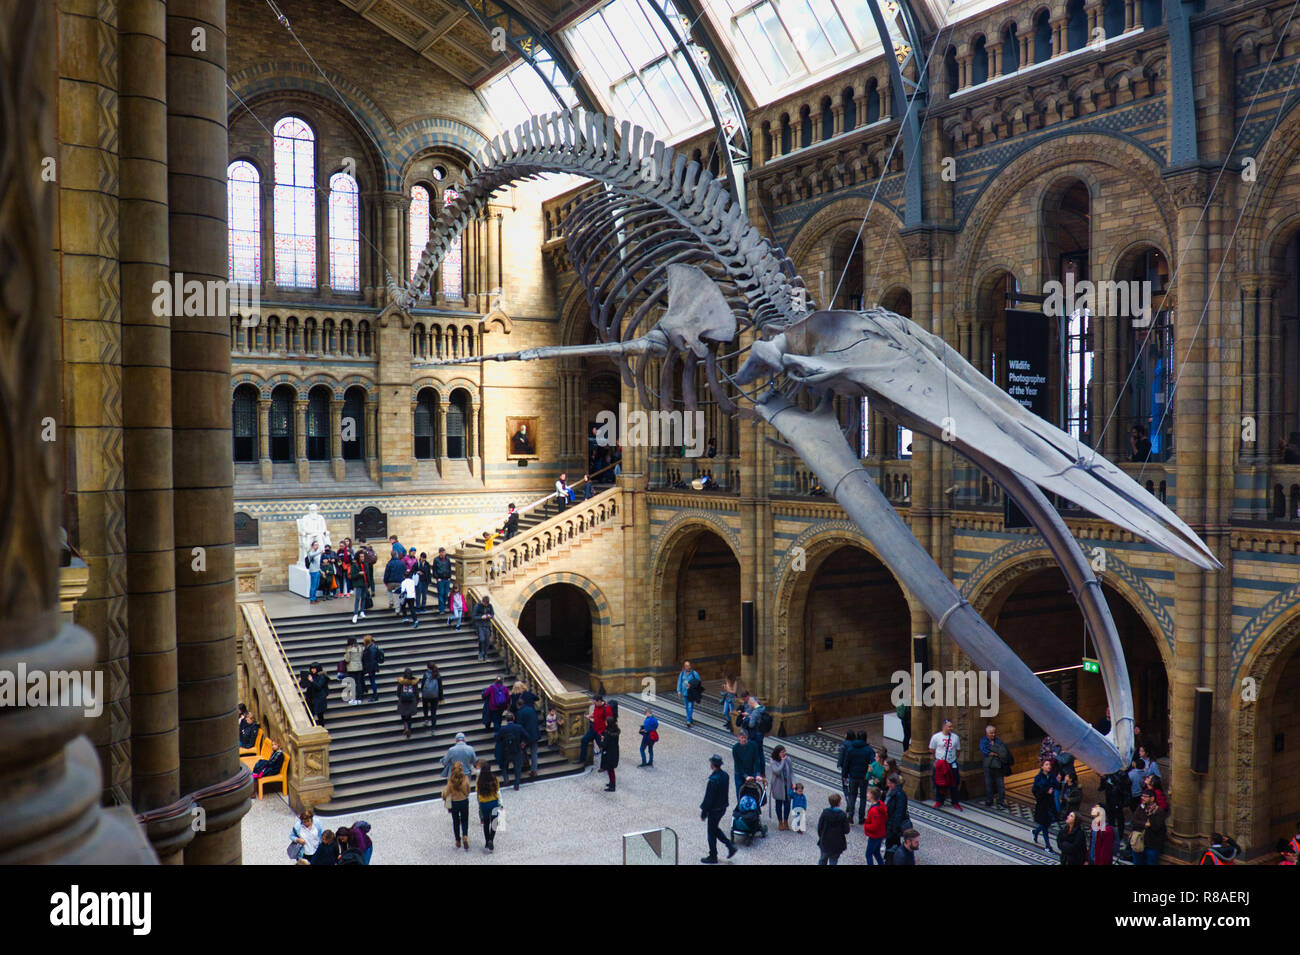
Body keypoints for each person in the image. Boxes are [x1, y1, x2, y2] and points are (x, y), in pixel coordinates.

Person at [699, 754, 736, 864]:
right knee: (714, 828)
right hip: (722, 807)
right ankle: (730, 846)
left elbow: (709, 798)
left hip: (714, 809)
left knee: (711, 833)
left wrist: (704, 812)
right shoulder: (725, 776)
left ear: (713, 765)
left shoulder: (713, 780)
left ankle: (713, 855)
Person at [841, 731, 875, 824]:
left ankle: (850, 815)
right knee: (863, 797)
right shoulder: (869, 750)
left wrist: (844, 775)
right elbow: (873, 763)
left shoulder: (851, 748)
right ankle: (861, 817)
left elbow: (846, 763)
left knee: (852, 795)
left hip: (853, 776)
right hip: (864, 777)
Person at [929, 718, 962, 809]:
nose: (951, 728)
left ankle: (955, 801)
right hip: (940, 763)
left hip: (952, 762)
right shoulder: (936, 737)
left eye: (951, 726)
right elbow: (932, 749)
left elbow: (958, 750)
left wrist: (953, 758)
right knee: (939, 782)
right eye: (949, 726)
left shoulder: (955, 737)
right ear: (944, 726)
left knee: (954, 782)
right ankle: (939, 801)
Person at [979, 724, 1011, 808]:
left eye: (994, 733)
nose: (993, 735)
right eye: (991, 733)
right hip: (988, 766)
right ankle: (989, 799)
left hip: (998, 766)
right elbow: (984, 750)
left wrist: (993, 751)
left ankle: (1001, 800)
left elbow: (1002, 751)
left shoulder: (998, 741)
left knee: (1000, 784)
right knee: (989, 783)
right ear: (987, 733)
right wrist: (994, 752)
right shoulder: (983, 741)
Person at [442, 761, 472, 851]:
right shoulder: (465, 778)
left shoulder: (450, 781)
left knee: (455, 821)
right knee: (465, 820)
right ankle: (465, 836)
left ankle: (457, 840)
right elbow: (468, 790)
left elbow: (446, 793)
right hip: (463, 801)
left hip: (454, 803)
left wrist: (444, 799)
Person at [1132, 789, 1166, 865]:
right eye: (1142, 796)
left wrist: (1149, 823)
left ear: (1152, 798)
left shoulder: (1159, 811)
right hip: (1139, 842)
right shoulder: (1140, 808)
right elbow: (1134, 821)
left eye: (1145, 796)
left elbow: (1157, 827)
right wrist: (1144, 824)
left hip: (1152, 845)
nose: (1142, 798)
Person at [579, 694, 614, 767]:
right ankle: (582, 760)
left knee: (603, 747)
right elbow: (595, 713)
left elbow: (610, 722)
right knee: (584, 740)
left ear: (599, 701)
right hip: (594, 728)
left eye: (595, 702)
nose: (594, 704)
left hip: (601, 731)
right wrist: (590, 716)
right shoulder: (597, 706)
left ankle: (606, 764)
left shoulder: (607, 708)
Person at [816, 792, 851, 865]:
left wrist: (821, 836)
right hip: (837, 844)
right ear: (839, 803)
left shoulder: (825, 813)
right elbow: (846, 830)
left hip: (825, 842)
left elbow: (820, 827)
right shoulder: (842, 815)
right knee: (834, 861)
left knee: (822, 859)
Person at [495, 711, 526, 791]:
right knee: (517, 768)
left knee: (504, 766)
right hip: (517, 750)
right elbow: (527, 735)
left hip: (506, 751)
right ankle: (516, 784)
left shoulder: (503, 729)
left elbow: (498, 739)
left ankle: (506, 778)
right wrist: (523, 742)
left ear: (506, 720)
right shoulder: (519, 727)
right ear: (514, 718)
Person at [768, 745, 795, 831]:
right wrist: (783, 761)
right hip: (778, 786)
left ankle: (786, 821)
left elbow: (791, 772)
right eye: (782, 752)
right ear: (778, 753)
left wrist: (793, 783)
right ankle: (780, 821)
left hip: (787, 786)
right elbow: (777, 771)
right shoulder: (773, 761)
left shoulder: (788, 759)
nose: (784, 753)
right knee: (778, 805)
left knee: (787, 805)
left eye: (785, 751)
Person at [1031, 759, 1056, 853]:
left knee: (1046, 823)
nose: (1048, 766)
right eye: (1046, 764)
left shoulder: (1051, 776)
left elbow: (1055, 785)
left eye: (1049, 764)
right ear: (1042, 766)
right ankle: (1048, 846)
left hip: (1050, 803)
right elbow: (1035, 791)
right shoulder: (1038, 778)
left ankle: (1035, 832)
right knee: (1045, 825)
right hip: (1042, 804)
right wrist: (1046, 791)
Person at [476, 760, 501, 852]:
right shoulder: (494, 779)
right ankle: (491, 839)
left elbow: (477, 790)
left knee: (486, 823)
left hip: (484, 804)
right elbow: (497, 788)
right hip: (493, 802)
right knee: (494, 821)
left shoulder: (479, 780)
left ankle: (487, 841)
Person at [884, 773, 910, 856]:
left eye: (889, 783)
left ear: (894, 783)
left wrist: (895, 827)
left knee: (892, 844)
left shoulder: (899, 795)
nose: (888, 785)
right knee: (893, 843)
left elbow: (899, 812)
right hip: (890, 822)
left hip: (893, 824)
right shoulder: (891, 792)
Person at [743, 695, 770, 774]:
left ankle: (757, 771)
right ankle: (762, 771)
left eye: (749, 703)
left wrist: (747, 719)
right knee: (761, 753)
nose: (749, 705)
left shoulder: (755, 712)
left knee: (755, 754)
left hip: (755, 735)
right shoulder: (762, 708)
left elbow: (751, 725)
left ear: (752, 702)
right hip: (761, 733)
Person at [516, 692, 540, 778]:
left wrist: (522, 739)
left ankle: (525, 764)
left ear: (518, 705)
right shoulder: (531, 709)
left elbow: (520, 726)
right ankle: (534, 770)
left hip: (526, 736)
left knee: (523, 750)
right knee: (534, 753)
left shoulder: (520, 712)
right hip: (535, 734)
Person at [731, 730, 760, 797]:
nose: (744, 739)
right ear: (739, 737)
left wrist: (757, 773)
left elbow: (756, 760)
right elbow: (738, 763)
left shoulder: (753, 745)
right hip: (739, 773)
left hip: (750, 770)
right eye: (742, 738)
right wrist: (745, 776)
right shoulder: (735, 748)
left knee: (751, 792)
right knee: (740, 792)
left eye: (745, 737)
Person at [863, 787, 887, 864]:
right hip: (880, 833)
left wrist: (866, 826)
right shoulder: (880, 805)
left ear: (872, 796)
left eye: (868, 793)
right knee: (876, 852)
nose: (867, 795)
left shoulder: (875, 810)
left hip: (875, 835)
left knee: (868, 854)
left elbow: (874, 826)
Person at [419, 662, 443, 737]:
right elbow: (440, 688)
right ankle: (433, 730)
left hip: (426, 696)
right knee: (433, 713)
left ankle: (426, 719)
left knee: (425, 707)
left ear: (428, 667)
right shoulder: (438, 675)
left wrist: (422, 693)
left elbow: (422, 685)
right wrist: (441, 698)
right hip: (434, 696)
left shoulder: (425, 674)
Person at [395, 668, 420, 739]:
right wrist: (417, 700)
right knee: (409, 716)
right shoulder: (414, 682)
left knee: (403, 715)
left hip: (403, 701)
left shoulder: (401, 682)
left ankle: (405, 727)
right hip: (411, 701)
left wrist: (400, 697)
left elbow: (398, 692)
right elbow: (416, 692)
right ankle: (409, 728)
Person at [676, 660, 702, 726]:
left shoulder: (694, 673)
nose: (687, 667)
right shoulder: (682, 674)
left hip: (691, 693)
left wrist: (691, 685)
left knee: (690, 706)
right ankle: (690, 718)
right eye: (686, 666)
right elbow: (679, 682)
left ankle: (688, 721)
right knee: (687, 707)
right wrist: (679, 691)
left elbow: (698, 681)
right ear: (684, 667)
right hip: (685, 693)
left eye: (688, 665)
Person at [599, 716, 620, 792]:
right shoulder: (615, 731)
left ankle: (612, 786)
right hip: (614, 752)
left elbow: (604, 744)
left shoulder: (608, 734)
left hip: (609, 754)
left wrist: (602, 740)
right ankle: (611, 783)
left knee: (610, 770)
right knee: (611, 770)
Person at [472, 595, 495, 661]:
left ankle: (485, 654)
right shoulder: (477, 606)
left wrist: (489, 616)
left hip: (487, 625)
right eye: (485, 603)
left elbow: (492, 614)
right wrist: (481, 617)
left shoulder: (490, 606)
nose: (486, 605)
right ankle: (480, 653)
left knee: (487, 641)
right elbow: (474, 616)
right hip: (480, 625)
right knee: (482, 639)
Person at [360, 633, 382, 702]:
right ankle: (366, 690)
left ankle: (375, 695)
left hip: (371, 667)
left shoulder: (371, 648)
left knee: (372, 681)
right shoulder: (372, 647)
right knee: (371, 680)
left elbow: (371, 659)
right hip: (371, 667)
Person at [349, 555, 369, 624]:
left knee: (364, 597)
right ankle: (356, 613)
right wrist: (359, 574)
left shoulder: (365, 564)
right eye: (361, 557)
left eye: (363, 557)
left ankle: (362, 611)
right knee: (357, 598)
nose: (363, 558)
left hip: (365, 583)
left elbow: (368, 574)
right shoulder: (355, 566)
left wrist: (368, 583)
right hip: (358, 584)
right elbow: (352, 575)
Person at [431, 548, 453, 613]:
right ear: (440, 553)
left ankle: (443, 606)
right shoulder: (436, 560)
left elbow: (449, 568)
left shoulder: (447, 559)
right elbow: (434, 570)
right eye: (443, 552)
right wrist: (437, 578)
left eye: (444, 552)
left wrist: (449, 576)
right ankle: (441, 609)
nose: (444, 554)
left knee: (446, 594)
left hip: (447, 579)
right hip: (440, 579)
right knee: (441, 593)